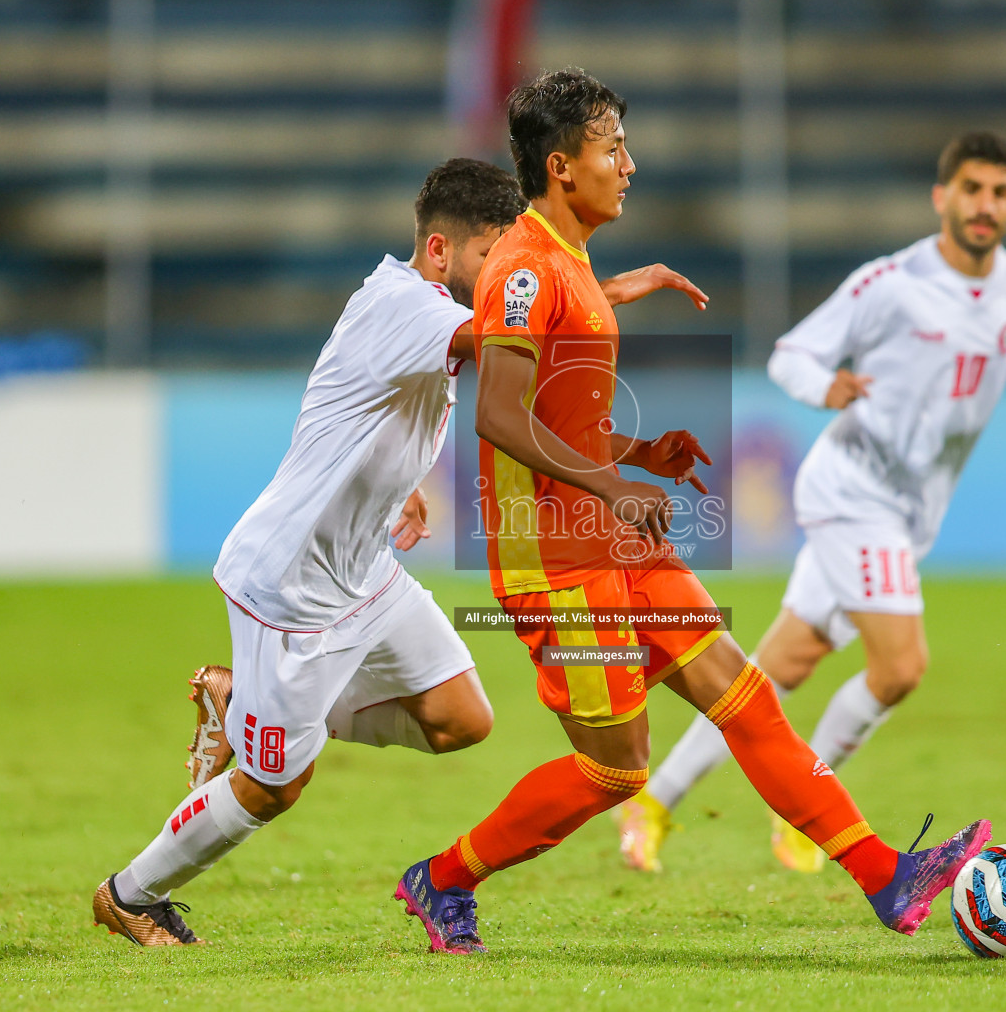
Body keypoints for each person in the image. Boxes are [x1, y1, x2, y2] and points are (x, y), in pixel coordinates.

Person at [392, 68, 990, 957]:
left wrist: (639, 458)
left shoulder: (569, 257)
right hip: (555, 562)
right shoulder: (521, 267)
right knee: (615, 769)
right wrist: (614, 488)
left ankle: (882, 874)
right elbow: (499, 415)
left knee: (744, 697)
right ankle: (442, 878)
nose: (629, 164)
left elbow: (565, 413)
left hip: (614, 539)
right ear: (562, 167)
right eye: (612, 148)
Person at [90, 157, 706, 946]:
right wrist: (608, 289)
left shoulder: (421, 308)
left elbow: (376, 406)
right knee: (272, 788)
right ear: (444, 251)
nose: (514, 277)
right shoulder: (403, 305)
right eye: (498, 259)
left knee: (460, 720)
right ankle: (130, 894)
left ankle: (241, 702)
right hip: (294, 588)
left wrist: (400, 485)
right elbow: (509, 336)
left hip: (365, 572)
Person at [615, 130, 1006, 875]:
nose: (984, 205)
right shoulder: (889, 283)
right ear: (942, 197)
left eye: (999, 193)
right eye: (971, 189)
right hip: (853, 492)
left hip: (912, 513)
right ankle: (807, 813)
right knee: (900, 667)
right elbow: (790, 354)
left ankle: (656, 799)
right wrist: (823, 386)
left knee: (775, 668)